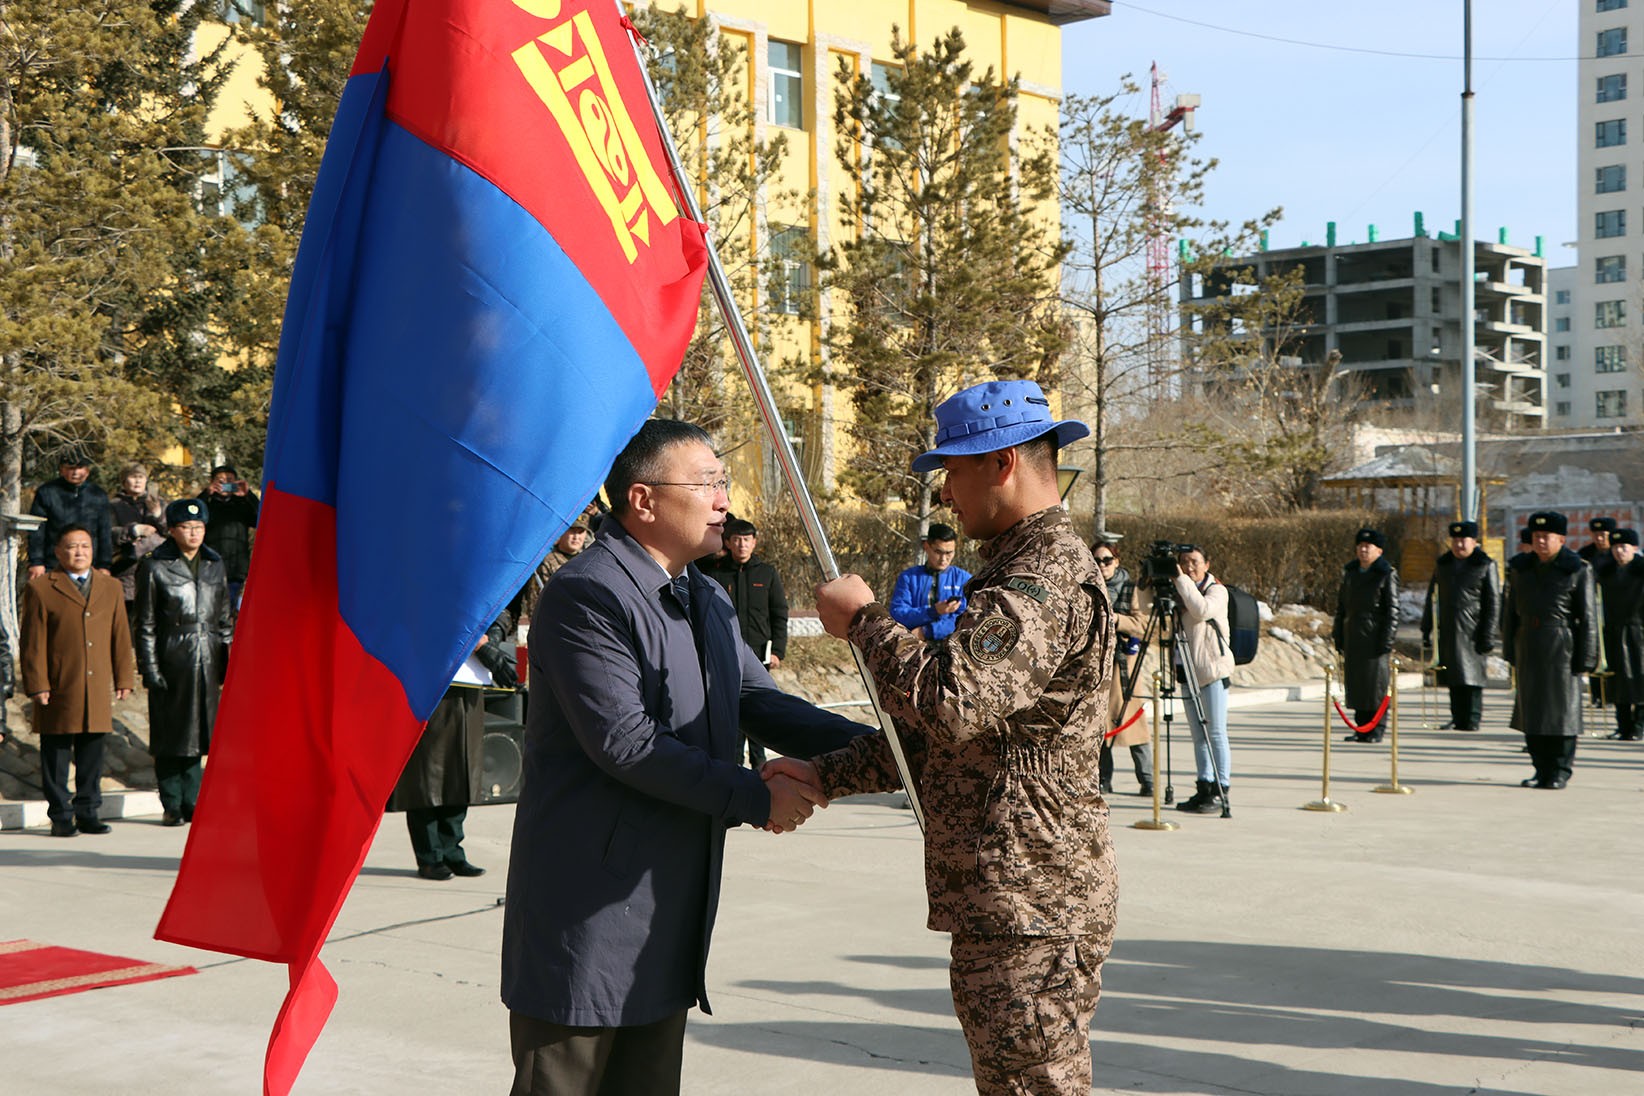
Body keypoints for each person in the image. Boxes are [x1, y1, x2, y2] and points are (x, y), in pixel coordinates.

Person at [500, 419, 869, 1096]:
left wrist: (886, 752)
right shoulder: (587, 595)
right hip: (590, 910)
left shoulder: (705, 596)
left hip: (667, 911)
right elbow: (627, 743)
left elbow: (758, 700)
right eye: (707, 484)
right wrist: (756, 796)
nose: (724, 500)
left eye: (723, 482)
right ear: (643, 500)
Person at [784, 379, 1116, 1096]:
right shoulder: (1018, 569)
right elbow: (962, 743)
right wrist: (827, 774)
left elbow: (951, 704)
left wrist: (866, 622)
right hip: (1013, 898)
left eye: (953, 471)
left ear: (1002, 462)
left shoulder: (1040, 578)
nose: (945, 494)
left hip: (1031, 900)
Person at [19, 526, 136, 836]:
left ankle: (88, 811)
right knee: (56, 753)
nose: (79, 552)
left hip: (96, 683)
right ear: (58, 552)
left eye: (85, 545)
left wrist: (124, 676)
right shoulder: (42, 588)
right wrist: (37, 684)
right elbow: (32, 643)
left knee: (92, 752)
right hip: (59, 683)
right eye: (72, 546)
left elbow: (120, 635)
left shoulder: (110, 587)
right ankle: (60, 815)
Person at [389, 613, 516, 878]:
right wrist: (479, 643)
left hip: (470, 680)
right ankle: (430, 855)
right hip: (431, 676)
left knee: (462, 767)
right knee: (427, 772)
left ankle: (452, 850)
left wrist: (495, 633)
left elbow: (503, 606)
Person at [133, 500, 233, 826]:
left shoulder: (214, 563)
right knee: (171, 734)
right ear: (173, 530)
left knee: (200, 733)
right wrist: (149, 667)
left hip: (208, 655)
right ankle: (172, 802)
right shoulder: (155, 565)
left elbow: (224, 618)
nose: (194, 534)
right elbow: (145, 623)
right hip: (173, 656)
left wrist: (228, 662)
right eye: (187, 528)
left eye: (199, 527)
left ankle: (194, 801)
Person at [1503, 511, 1597, 789]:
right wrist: (1509, 649)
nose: (1541, 541)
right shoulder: (1521, 568)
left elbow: (1588, 617)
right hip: (1528, 642)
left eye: (1547, 537)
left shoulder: (1577, 569)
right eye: (1536, 536)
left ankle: (1559, 770)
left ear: (1561, 539)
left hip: (1561, 645)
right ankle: (1540, 768)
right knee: (1532, 710)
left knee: (1561, 711)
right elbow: (1510, 613)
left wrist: (1587, 656)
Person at [704, 517, 790, 769]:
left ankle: (760, 766)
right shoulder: (715, 573)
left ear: (754, 542)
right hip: (723, 654)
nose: (742, 545)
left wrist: (777, 651)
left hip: (758, 654)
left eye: (746, 540)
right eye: (737, 540)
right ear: (728, 543)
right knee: (731, 710)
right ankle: (734, 767)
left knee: (758, 708)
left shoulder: (767, 573)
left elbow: (779, 613)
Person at [1166, 544, 1235, 814]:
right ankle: (1203, 786)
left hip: (1212, 671)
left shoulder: (1216, 590)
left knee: (1215, 732)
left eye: (1195, 561)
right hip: (1187, 669)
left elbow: (1201, 610)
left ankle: (1221, 788)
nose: (1190, 566)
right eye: (1184, 562)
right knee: (1198, 736)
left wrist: (1180, 579)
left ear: (1207, 564)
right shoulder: (1179, 589)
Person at [1419, 520, 1500, 732]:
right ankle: (1457, 716)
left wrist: (1488, 634)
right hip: (1448, 628)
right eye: (1455, 541)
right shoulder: (1443, 564)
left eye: (1464, 540)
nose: (1459, 545)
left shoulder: (1485, 565)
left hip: (1473, 629)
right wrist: (1426, 627)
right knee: (1453, 674)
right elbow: (1433, 597)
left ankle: (1472, 717)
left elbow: (1493, 602)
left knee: (1472, 677)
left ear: (1474, 541)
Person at [1095, 538, 1152, 796]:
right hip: (1097, 666)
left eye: (1107, 560)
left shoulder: (1131, 588)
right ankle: (1103, 778)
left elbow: (1143, 625)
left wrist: (1117, 619)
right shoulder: (1090, 588)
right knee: (1100, 726)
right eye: (1097, 560)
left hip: (1125, 667)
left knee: (1134, 724)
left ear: (1116, 562)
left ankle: (1147, 779)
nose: (1102, 565)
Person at [1333, 527, 1400, 743]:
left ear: (1379, 551)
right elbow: (1342, 607)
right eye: (1360, 546)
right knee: (1357, 684)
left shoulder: (1386, 574)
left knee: (1375, 685)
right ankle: (1361, 727)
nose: (1363, 550)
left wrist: (1387, 639)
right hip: (1353, 635)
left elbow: (1393, 611)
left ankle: (1376, 728)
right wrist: (1338, 634)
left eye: (1368, 547)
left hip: (1375, 637)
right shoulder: (1351, 573)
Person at [27, 449, 114, 577]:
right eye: (70, 468)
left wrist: (104, 565)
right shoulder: (47, 492)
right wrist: (36, 561)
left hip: (89, 563)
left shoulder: (98, 495)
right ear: (61, 470)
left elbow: (105, 532)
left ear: (87, 471)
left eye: (80, 468)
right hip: (53, 563)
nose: (75, 472)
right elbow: (37, 530)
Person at [1594, 527, 1644, 741]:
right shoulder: (1605, 573)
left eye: (1624, 547)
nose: (1619, 551)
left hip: (1639, 632)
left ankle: (1639, 725)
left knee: (1640, 678)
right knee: (1617, 681)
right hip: (1613, 631)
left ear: (1634, 548)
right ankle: (1623, 725)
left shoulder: (1641, 571)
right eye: (1615, 547)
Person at [888, 522, 972, 642]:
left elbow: (967, 619)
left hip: (951, 646)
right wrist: (932, 612)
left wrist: (928, 631)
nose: (943, 559)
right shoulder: (908, 577)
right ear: (927, 547)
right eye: (938, 552)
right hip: (914, 644)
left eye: (949, 553)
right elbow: (897, 614)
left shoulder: (964, 579)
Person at [109, 462, 168, 623]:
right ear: (124, 481)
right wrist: (133, 530)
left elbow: (171, 530)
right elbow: (108, 532)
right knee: (130, 620)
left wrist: (157, 514)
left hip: (158, 568)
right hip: (127, 570)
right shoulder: (114, 505)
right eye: (133, 477)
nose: (137, 481)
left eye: (141, 477)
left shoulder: (158, 503)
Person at [197, 464, 259, 608]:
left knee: (231, 606)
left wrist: (248, 495)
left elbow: (261, 519)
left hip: (236, 568)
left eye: (229, 481)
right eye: (220, 481)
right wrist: (206, 494)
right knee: (210, 606)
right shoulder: (208, 504)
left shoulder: (242, 504)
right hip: (210, 565)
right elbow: (193, 514)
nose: (225, 484)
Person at [511, 515, 590, 626]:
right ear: (562, 532)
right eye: (572, 531)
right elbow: (536, 601)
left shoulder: (589, 561)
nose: (576, 537)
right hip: (555, 625)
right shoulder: (545, 562)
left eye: (580, 532)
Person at [1580, 517, 1617, 708]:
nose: (1600, 538)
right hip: (1592, 609)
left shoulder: (1618, 553)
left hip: (1614, 610)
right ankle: (1597, 695)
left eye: (1604, 534)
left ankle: (1612, 694)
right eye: (1596, 534)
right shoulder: (1585, 555)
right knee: (1594, 652)